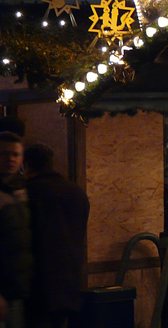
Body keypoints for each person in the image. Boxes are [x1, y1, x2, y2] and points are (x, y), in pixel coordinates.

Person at [23, 143, 90, 328]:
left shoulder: (27, 193)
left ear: (26, 165)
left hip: (38, 287)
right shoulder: (77, 193)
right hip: (69, 285)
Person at [0, 132, 31, 328]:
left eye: (15, 154)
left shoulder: (21, 191)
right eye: (3, 153)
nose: (10, 159)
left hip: (17, 292)